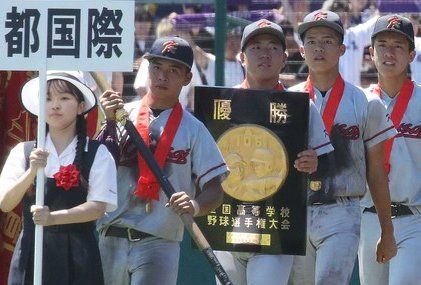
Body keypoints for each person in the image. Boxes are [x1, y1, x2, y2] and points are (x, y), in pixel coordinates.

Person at [96, 36, 229, 285]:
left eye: (173, 70)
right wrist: (109, 121)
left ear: (187, 78)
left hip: (159, 240)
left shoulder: (194, 129)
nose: (162, 76)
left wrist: (195, 205)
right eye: (156, 67)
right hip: (111, 234)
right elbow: (95, 170)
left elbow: (214, 189)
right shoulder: (121, 114)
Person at [214, 19, 334, 285]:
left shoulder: (301, 106)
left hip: (277, 223)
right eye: (256, 47)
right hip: (227, 222)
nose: (265, 53)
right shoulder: (222, 103)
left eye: (273, 47)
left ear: (284, 58)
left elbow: (326, 164)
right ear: (241, 57)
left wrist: (314, 163)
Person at [288, 10, 397, 285]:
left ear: (342, 49)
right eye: (311, 41)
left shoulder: (366, 102)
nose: (319, 48)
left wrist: (387, 230)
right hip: (295, 210)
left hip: (343, 210)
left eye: (327, 40)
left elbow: (376, 173)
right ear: (301, 50)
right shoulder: (287, 101)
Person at [0, 72, 118, 285]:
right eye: (47, 98)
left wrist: (53, 218)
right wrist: (31, 172)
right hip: (31, 252)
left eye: (64, 98)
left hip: (79, 256)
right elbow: (6, 203)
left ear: (81, 106)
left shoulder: (97, 152)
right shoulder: (23, 152)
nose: (55, 105)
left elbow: (98, 207)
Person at [359, 14, 421, 285]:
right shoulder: (358, 102)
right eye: (382, 44)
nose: (389, 52)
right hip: (369, 218)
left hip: (413, 217)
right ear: (371, 53)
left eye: (398, 45)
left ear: (411, 54)